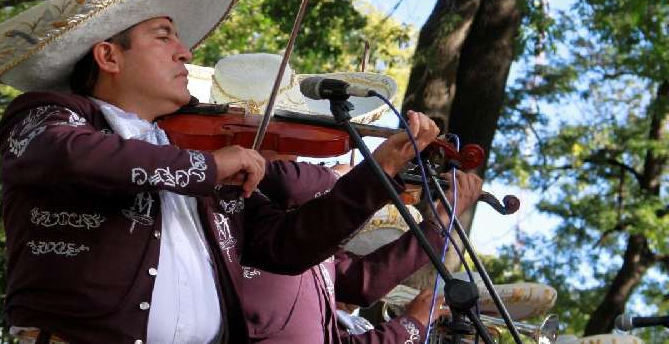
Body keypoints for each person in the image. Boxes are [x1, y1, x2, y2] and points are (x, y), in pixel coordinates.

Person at [0, 0, 442, 343]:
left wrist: (377, 175)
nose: (185, 53)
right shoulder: (50, 115)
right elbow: (69, 154)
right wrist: (209, 168)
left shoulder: (190, 151)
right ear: (108, 57)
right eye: (163, 35)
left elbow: (288, 246)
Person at [204, 53, 484, 343]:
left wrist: (438, 223)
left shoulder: (292, 215)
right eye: (287, 123)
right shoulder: (233, 197)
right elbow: (290, 185)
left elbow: (361, 283)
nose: (300, 146)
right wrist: (369, 172)